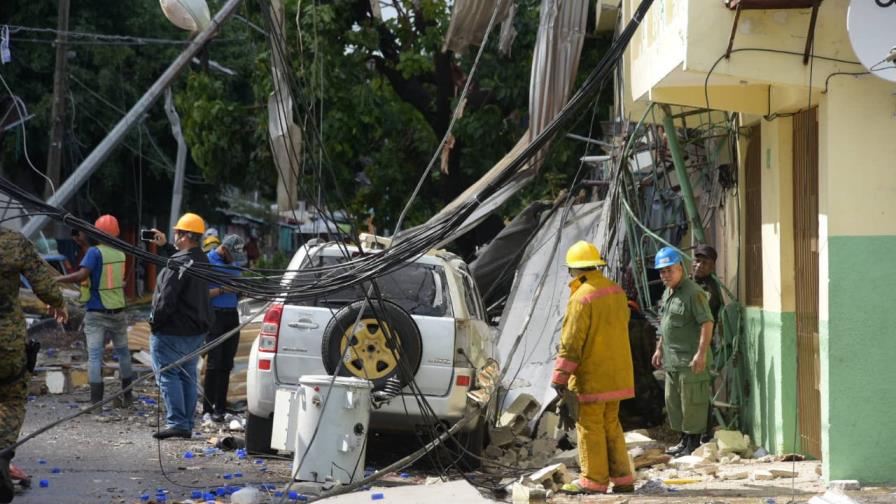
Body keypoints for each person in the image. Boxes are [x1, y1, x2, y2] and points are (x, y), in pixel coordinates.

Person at [553, 241, 635, 495]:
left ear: (575, 270)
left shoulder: (581, 297)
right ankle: (623, 479)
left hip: (592, 376)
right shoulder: (617, 291)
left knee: (589, 426)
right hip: (619, 375)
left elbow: (572, 341)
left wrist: (560, 376)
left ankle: (593, 480)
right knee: (611, 423)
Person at [0, 228, 68, 502]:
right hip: (7, 340)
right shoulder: (13, 241)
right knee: (12, 399)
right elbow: (43, 283)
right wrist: (58, 303)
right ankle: (2, 454)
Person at [146, 213, 213, 440]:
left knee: (168, 374)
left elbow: (166, 297)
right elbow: (182, 263)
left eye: (176, 233)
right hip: (196, 330)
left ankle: (176, 422)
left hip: (173, 330)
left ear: (184, 236)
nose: (174, 235)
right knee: (186, 375)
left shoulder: (180, 263)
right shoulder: (201, 259)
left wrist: (154, 322)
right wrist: (165, 247)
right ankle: (185, 424)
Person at [55, 215, 134, 406]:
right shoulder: (120, 254)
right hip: (118, 311)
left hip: (96, 313)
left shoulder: (94, 252)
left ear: (96, 232)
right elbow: (105, 272)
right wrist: (84, 245)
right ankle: (128, 398)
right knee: (124, 354)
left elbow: (83, 274)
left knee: (95, 356)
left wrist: (57, 279)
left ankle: (96, 403)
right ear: (116, 232)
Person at [651, 246, 714, 457]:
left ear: (681, 268)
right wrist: (659, 349)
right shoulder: (668, 292)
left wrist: (701, 353)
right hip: (672, 359)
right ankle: (683, 440)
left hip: (691, 359)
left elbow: (707, 322)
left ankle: (693, 443)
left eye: (670, 270)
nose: (665, 275)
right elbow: (665, 322)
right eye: (662, 272)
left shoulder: (694, 293)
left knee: (692, 402)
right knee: (674, 401)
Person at [202, 234, 245, 423]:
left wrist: (241, 291)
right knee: (214, 363)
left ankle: (220, 408)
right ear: (225, 249)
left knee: (227, 364)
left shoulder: (234, 265)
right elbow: (200, 294)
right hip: (215, 316)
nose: (234, 259)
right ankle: (207, 408)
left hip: (231, 316)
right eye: (233, 254)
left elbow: (239, 291)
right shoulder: (207, 262)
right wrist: (222, 290)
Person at [692, 244, 723, 322]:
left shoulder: (709, 289)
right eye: (697, 261)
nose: (699, 265)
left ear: (712, 267)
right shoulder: (688, 280)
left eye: (704, 263)